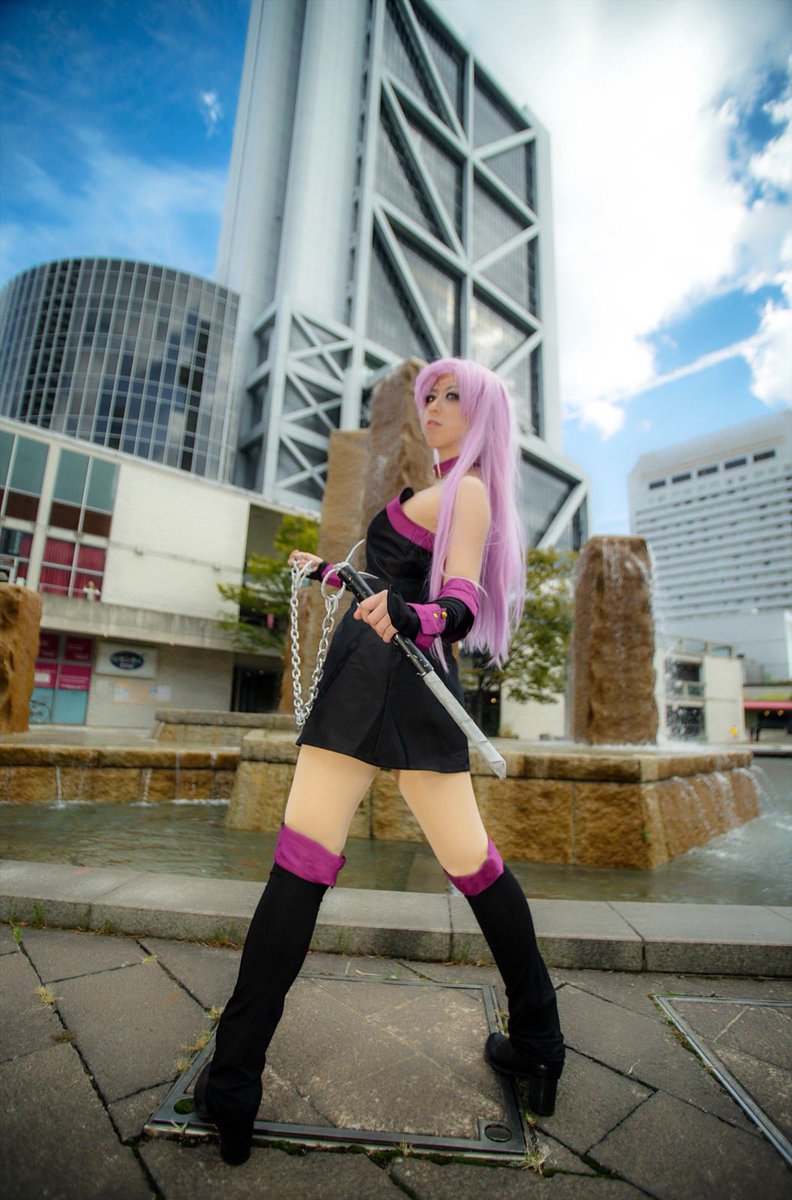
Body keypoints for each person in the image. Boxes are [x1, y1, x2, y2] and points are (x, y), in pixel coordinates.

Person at [195, 358, 565, 1165]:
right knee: (455, 865)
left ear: (484, 415)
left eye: (452, 397)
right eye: (429, 394)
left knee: (324, 865)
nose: (432, 406)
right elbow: (390, 580)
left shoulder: (469, 491)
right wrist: (334, 574)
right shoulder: (442, 489)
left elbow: (459, 603)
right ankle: (539, 1042)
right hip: (385, 674)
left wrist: (411, 613)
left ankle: (233, 1081)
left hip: (390, 675)